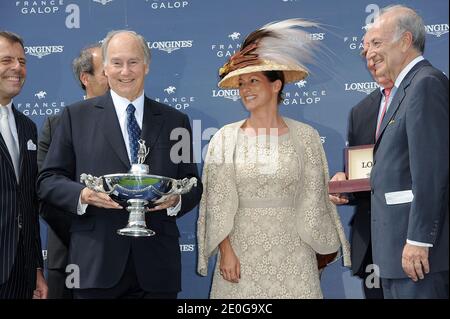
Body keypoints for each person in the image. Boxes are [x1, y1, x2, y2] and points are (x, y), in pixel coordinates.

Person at [37, 30, 202, 299]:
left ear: (146, 66)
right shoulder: (73, 118)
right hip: (95, 265)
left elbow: (192, 183)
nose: (125, 71)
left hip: (157, 268)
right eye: (116, 63)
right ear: (104, 69)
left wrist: (176, 201)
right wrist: (84, 195)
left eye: (133, 62)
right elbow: (48, 180)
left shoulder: (176, 122)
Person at [197, 19, 350, 299]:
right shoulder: (224, 138)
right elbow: (216, 204)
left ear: (276, 85)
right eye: (241, 83)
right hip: (241, 255)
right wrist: (226, 251)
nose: (245, 89)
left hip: (295, 254)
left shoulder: (307, 136)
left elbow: (314, 196)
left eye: (253, 80)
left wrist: (320, 246)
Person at [365, 5, 449, 299]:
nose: (369, 53)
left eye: (376, 43)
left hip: (417, 256)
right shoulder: (406, 89)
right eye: (365, 47)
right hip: (397, 253)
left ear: (405, 41)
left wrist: (418, 240)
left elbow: (430, 172)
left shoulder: (425, 84)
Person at [37, 43, 109, 299]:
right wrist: (90, 232)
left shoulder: (136, 123)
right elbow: (45, 193)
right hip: (69, 256)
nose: (114, 74)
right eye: (105, 69)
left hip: (126, 259)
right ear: (85, 77)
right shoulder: (56, 125)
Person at [328, 44, 393, 299]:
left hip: (422, 240)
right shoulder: (361, 111)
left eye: (379, 50)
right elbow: (361, 176)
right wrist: (343, 185)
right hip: (372, 245)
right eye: (367, 56)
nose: (372, 60)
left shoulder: (430, 94)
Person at [0, 30, 48, 299]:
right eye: (6, 60)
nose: (17, 68)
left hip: (20, 272)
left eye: (22, 61)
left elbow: (28, 204)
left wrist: (36, 269)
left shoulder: (28, 127)